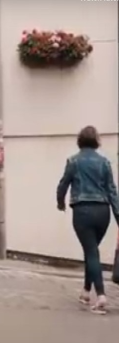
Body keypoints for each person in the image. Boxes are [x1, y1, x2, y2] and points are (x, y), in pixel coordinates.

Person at [57, 125, 119, 314]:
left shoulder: (73, 161)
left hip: (83, 212)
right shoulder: (105, 162)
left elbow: (63, 184)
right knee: (91, 251)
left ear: (80, 141)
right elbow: (112, 192)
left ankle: (100, 295)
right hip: (103, 212)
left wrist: (60, 202)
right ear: (96, 141)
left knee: (91, 252)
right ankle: (85, 291)